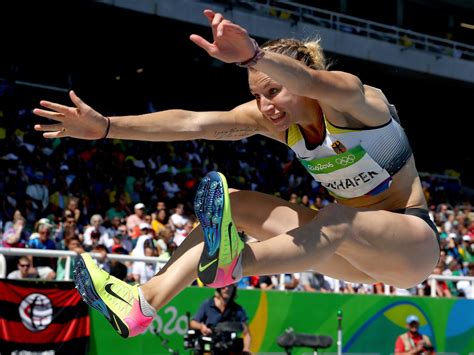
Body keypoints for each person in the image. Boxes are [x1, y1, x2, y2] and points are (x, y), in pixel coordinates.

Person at [33, 9, 439, 338]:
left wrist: (253, 56)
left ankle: (235, 264)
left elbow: (312, 79)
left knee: (336, 219)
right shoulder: (275, 120)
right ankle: (144, 302)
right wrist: (106, 127)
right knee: (236, 204)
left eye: (274, 90)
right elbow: (193, 123)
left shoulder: (357, 101)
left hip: (409, 244)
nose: (266, 106)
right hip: (346, 254)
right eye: (257, 96)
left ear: (299, 79)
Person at [190, 285, 251, 354]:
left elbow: (246, 333)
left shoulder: (237, 309)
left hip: (228, 348)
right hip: (209, 347)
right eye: (224, 286)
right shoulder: (208, 304)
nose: (227, 289)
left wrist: (246, 349)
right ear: (219, 288)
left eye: (230, 286)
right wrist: (202, 327)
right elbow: (193, 323)